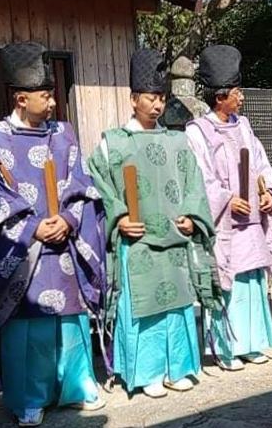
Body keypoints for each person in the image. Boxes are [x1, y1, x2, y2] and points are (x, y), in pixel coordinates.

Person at [0, 42, 107, 426]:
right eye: (46, 95)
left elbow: (83, 186)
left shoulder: (64, 134)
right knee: (28, 328)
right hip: (20, 253)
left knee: (69, 324)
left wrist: (70, 221)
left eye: (53, 94)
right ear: (21, 98)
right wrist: (32, 226)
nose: (53, 103)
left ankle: (77, 387)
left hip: (65, 248)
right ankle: (28, 398)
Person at [88, 49, 219, 398]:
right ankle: (145, 373)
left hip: (174, 240)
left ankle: (179, 368)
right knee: (143, 308)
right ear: (133, 99)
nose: (158, 105)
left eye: (162, 97)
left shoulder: (179, 141)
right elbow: (99, 187)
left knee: (177, 308)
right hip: (138, 243)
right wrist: (118, 219)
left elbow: (195, 184)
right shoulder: (112, 142)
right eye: (150, 97)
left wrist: (192, 217)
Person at [186, 45, 272, 371]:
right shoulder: (197, 131)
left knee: (252, 283)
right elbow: (201, 178)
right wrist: (227, 199)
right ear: (220, 96)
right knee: (228, 284)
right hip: (225, 224)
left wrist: (268, 191)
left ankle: (252, 344)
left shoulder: (244, 126)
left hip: (252, 220)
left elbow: (260, 162)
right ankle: (226, 349)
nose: (241, 98)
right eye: (237, 93)